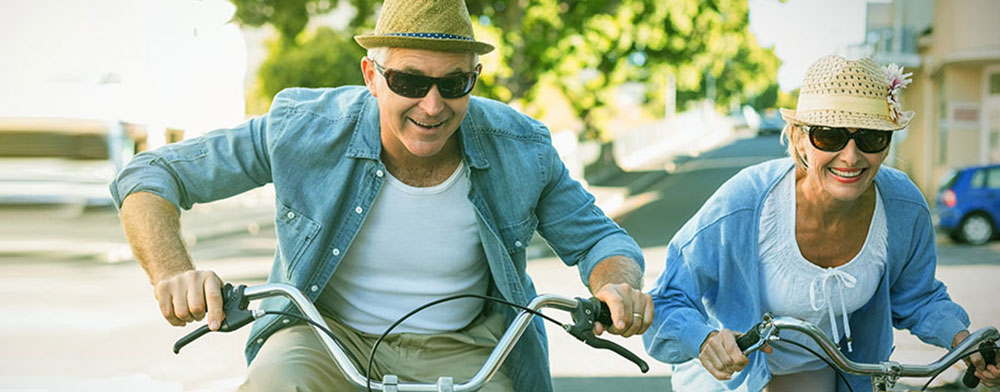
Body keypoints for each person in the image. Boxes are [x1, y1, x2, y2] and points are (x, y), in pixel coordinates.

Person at [110, 0, 653, 390]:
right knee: (274, 382)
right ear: (373, 75)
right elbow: (150, 174)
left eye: (454, 84)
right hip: (326, 339)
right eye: (411, 83)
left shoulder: (521, 146)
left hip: (469, 349)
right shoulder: (303, 128)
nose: (433, 105)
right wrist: (171, 273)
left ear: (475, 79)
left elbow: (600, 241)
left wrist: (617, 288)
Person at [641, 55, 1000, 391]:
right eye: (829, 135)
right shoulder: (745, 204)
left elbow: (918, 297)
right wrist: (704, 340)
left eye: (871, 137)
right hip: (731, 379)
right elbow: (668, 300)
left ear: (887, 144)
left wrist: (962, 340)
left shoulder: (903, 206)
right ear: (799, 138)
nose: (851, 156)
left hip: (820, 377)